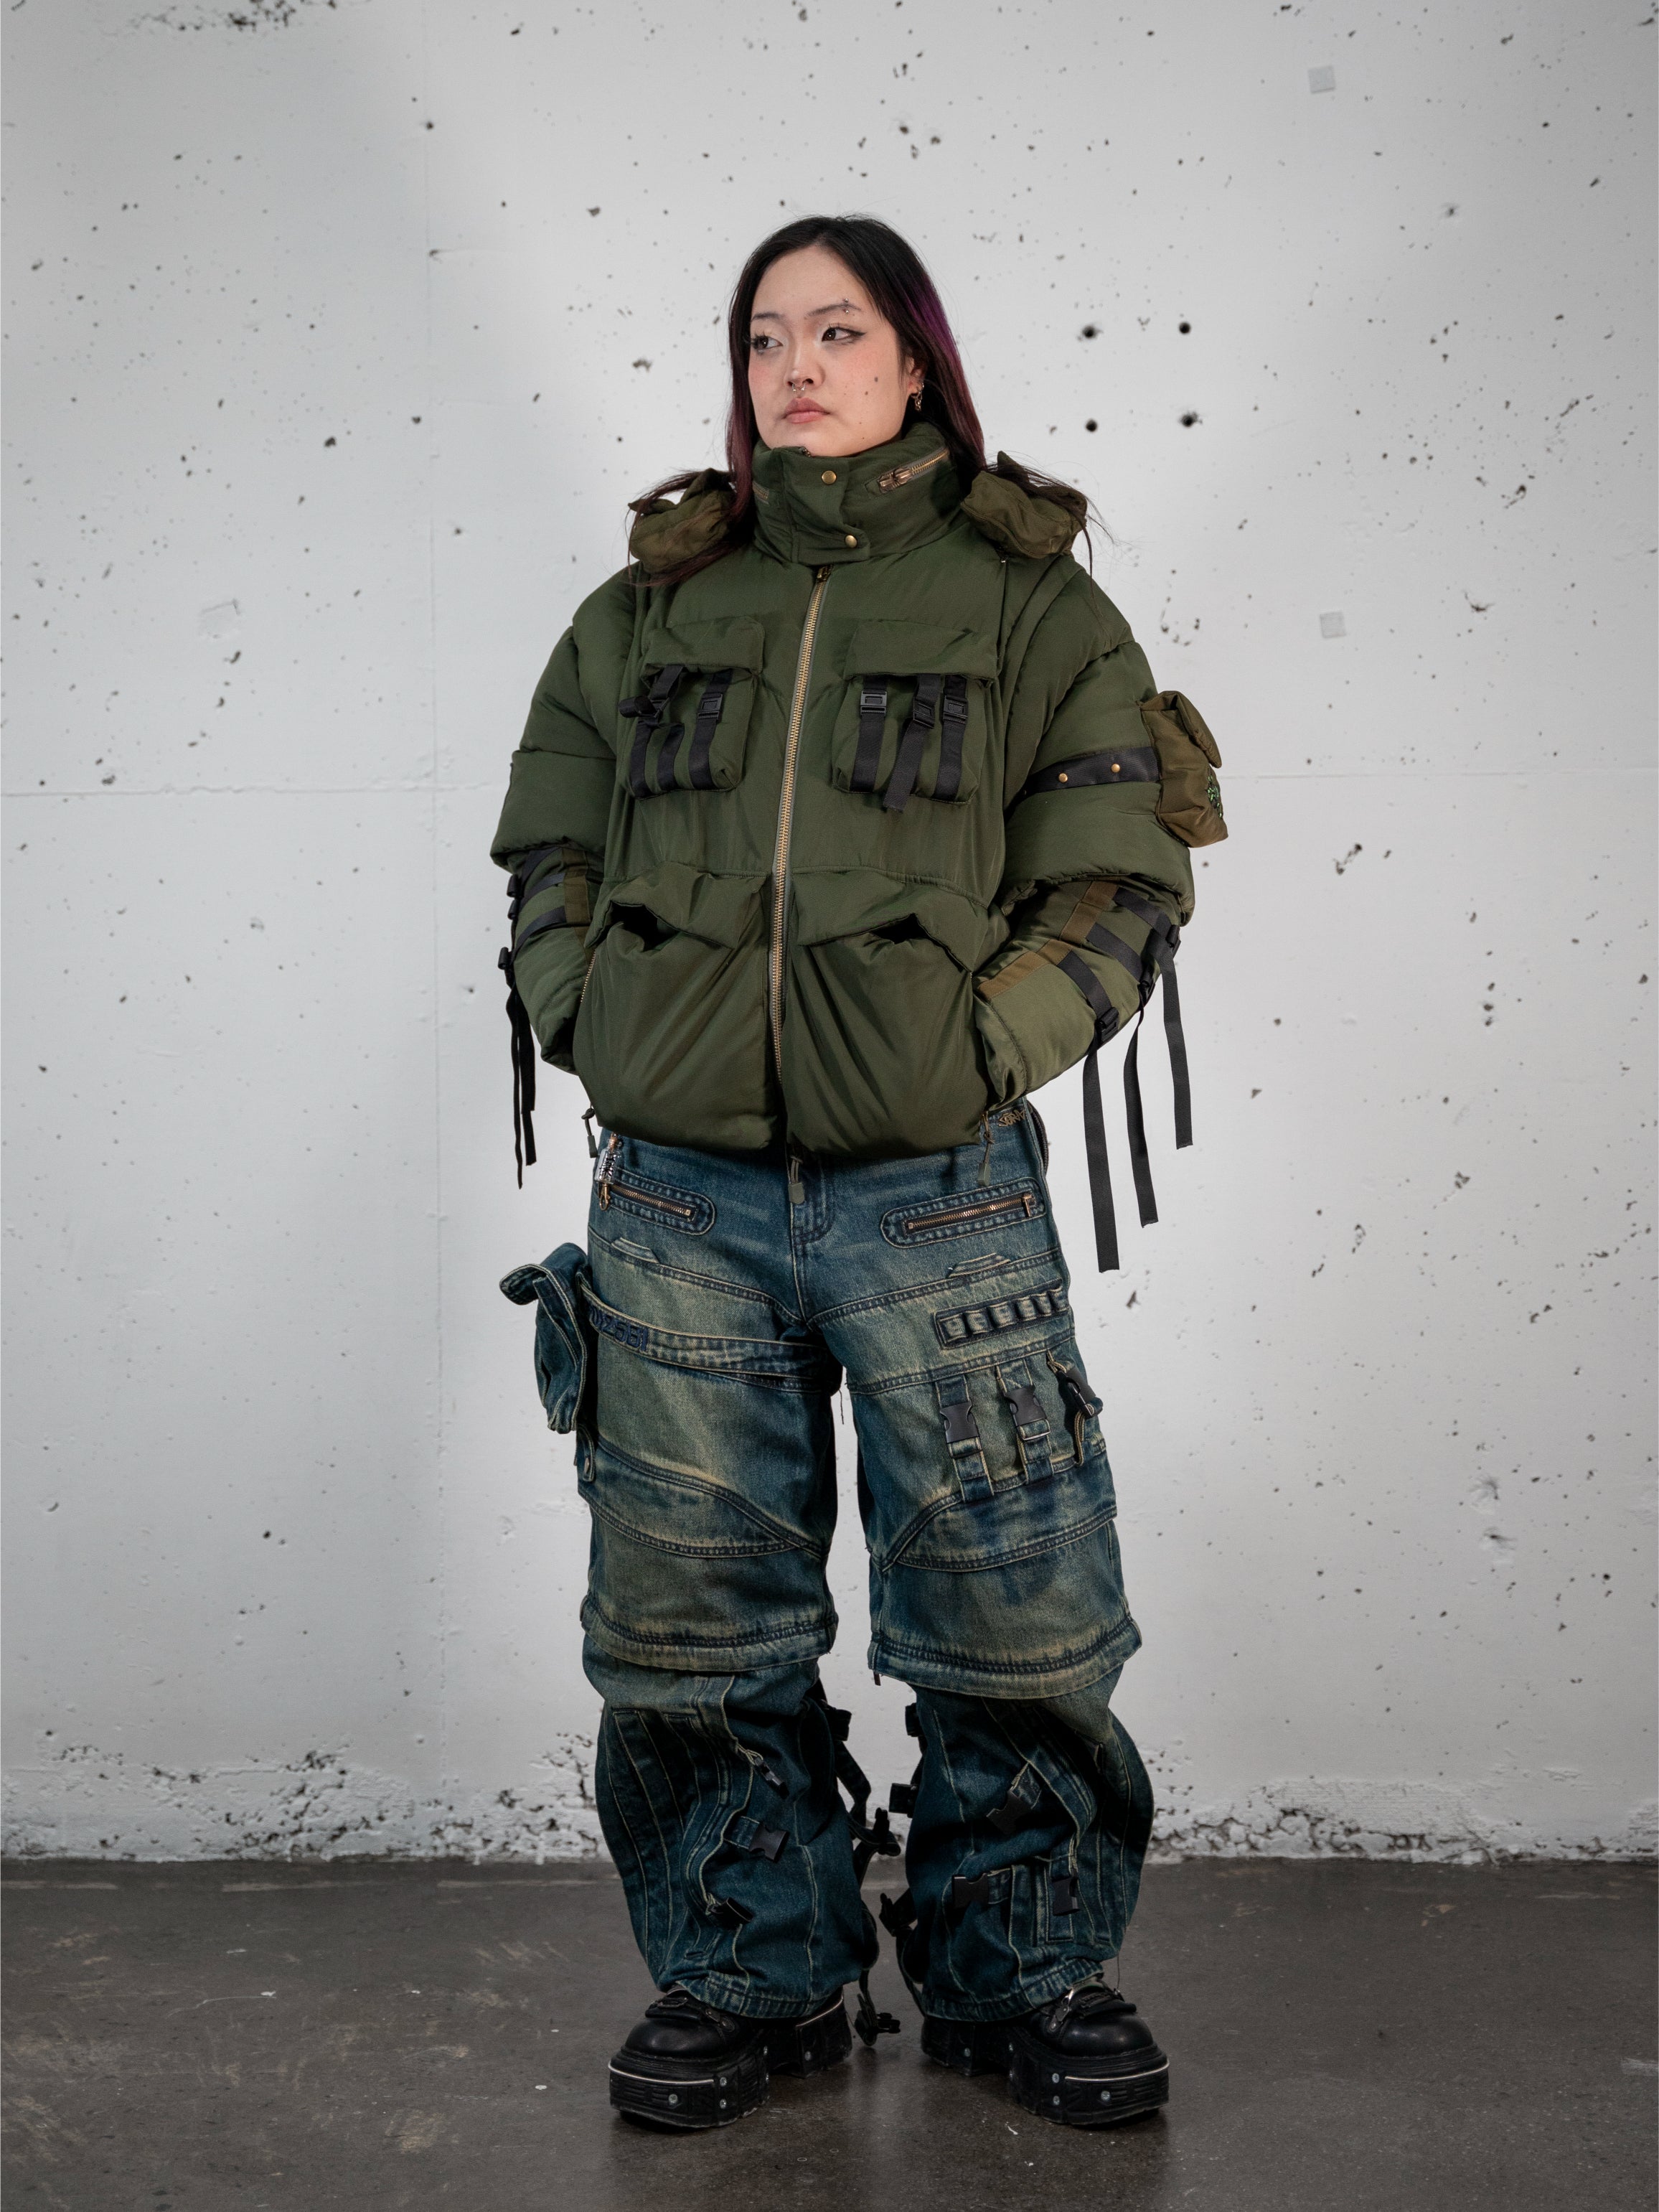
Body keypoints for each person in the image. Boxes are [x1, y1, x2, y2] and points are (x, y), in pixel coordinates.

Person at [491, 214, 1226, 2134]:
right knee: (690, 1621)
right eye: (765, 336)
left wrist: (976, 1050)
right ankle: (756, 1975)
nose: (796, 367)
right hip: (679, 1200)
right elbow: (552, 850)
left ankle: (1020, 1972)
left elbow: (1118, 887)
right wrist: (590, 1015)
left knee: (1015, 1613)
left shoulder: (1034, 606)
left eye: (837, 329)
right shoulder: (649, 608)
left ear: (914, 357)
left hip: (940, 1196)